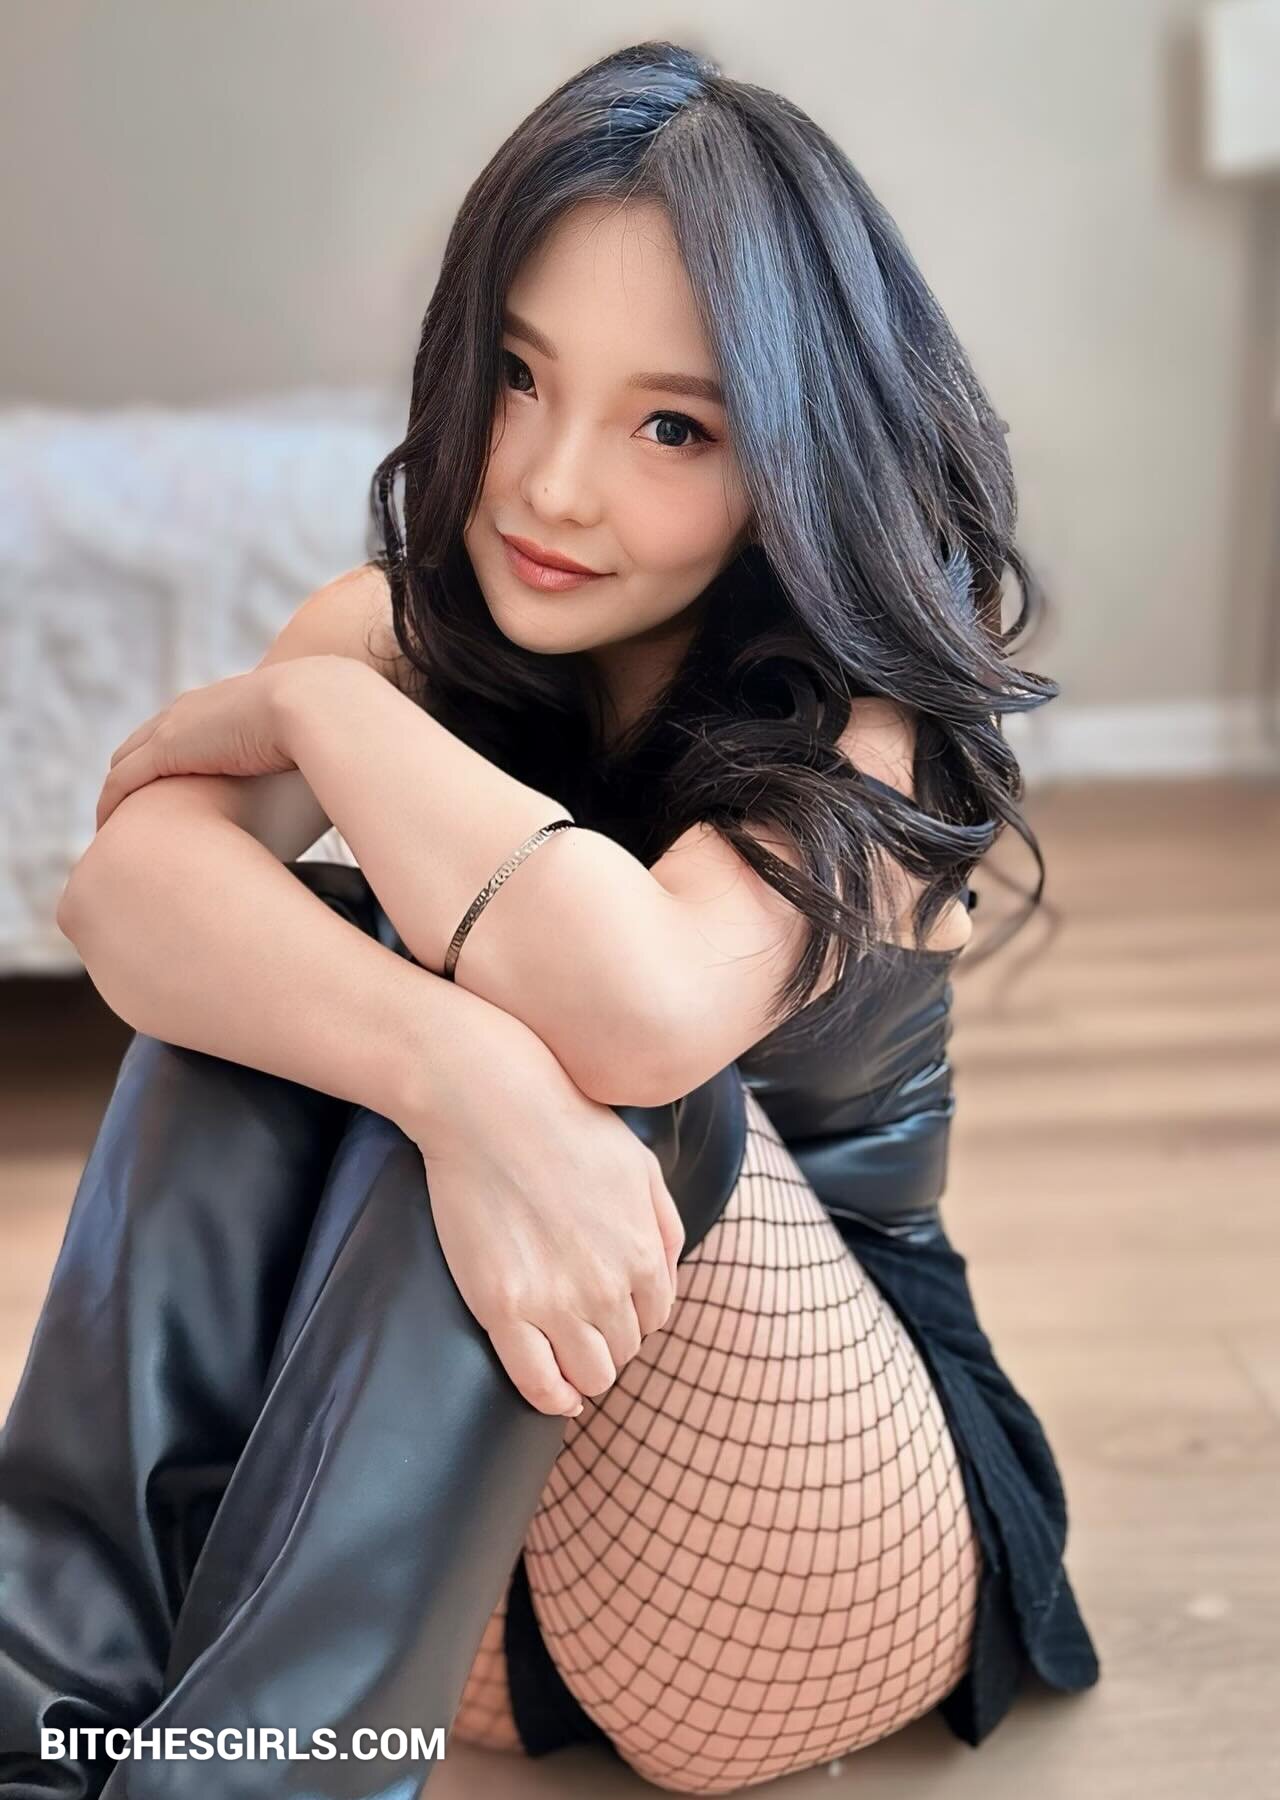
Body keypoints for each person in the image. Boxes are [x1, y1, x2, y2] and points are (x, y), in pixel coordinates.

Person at [0, 38, 1100, 1800]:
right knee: (308, 958)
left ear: (794, 455)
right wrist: (457, 1082)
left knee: (559, 1019)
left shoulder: (862, 727)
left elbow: (635, 1012)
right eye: (517, 378)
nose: (549, 486)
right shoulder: (399, 625)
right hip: (480, 1583)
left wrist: (316, 714)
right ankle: (44, 1735)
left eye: (674, 426)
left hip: (811, 1540)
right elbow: (124, 897)